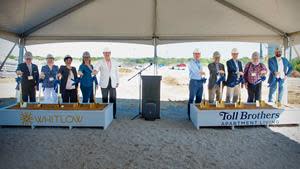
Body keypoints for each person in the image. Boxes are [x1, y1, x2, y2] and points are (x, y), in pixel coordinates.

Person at [97, 48, 119, 119]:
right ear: (103, 54)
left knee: (113, 99)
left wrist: (117, 81)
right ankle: (105, 114)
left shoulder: (114, 61)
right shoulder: (100, 61)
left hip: (113, 82)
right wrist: (94, 71)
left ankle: (113, 114)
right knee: (105, 99)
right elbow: (96, 68)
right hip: (104, 83)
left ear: (110, 53)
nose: (107, 54)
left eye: (108, 53)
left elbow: (116, 72)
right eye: (105, 53)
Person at [187, 48, 205, 120]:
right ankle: (190, 115)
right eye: (196, 54)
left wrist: (202, 77)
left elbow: (201, 72)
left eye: (198, 54)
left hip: (200, 81)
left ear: (200, 55)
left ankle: (197, 115)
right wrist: (202, 73)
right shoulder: (191, 62)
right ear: (193, 55)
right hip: (194, 81)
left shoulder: (200, 63)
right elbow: (196, 71)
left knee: (199, 99)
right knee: (191, 99)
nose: (197, 55)